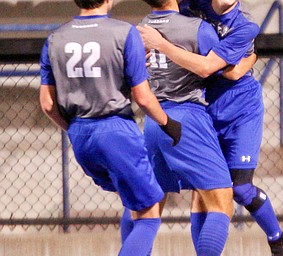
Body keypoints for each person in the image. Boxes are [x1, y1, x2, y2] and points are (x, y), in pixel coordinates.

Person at [138, 0, 283, 255]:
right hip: (206, 109)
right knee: (203, 192)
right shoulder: (192, 6)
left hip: (240, 109)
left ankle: (277, 238)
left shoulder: (245, 25)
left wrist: (160, 45)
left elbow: (225, 72)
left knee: (240, 188)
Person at [39, 0, 182, 255]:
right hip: (116, 130)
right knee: (150, 209)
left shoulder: (54, 38)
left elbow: (48, 104)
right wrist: (167, 123)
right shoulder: (124, 32)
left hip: (80, 134)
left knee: (134, 201)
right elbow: (143, 97)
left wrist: (72, 128)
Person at [122, 0, 235, 255]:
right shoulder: (197, 28)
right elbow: (227, 70)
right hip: (188, 118)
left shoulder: (138, 29)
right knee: (221, 202)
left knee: (145, 210)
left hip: (153, 119)